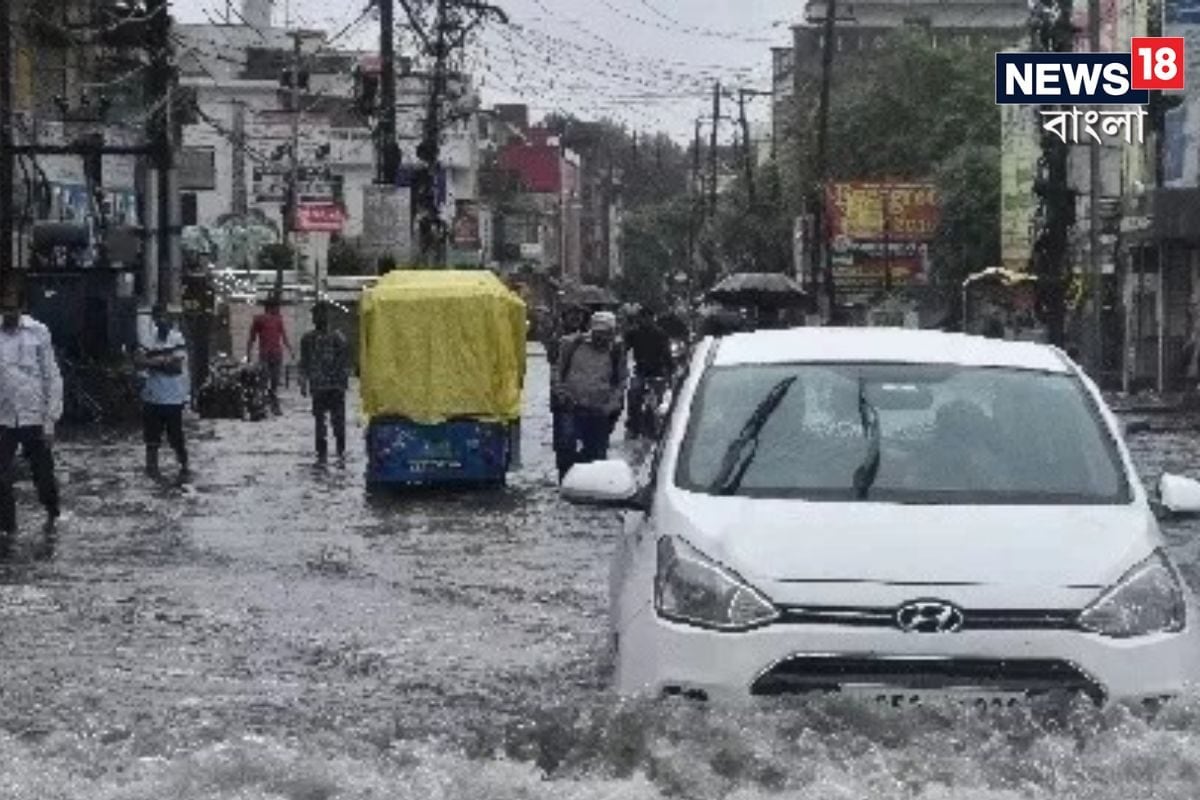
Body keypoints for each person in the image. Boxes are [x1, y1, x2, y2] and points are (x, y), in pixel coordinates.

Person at [0, 282, 62, 557]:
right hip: (3, 418)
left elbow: (52, 377)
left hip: (34, 416)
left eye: (12, 308)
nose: (7, 313)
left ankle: (52, 513)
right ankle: (8, 529)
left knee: (43, 475)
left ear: (22, 308)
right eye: (3, 308)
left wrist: (50, 421)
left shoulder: (39, 332)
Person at [551, 311, 628, 483]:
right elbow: (557, 371)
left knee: (597, 454)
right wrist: (561, 393)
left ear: (612, 333)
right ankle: (565, 483)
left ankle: (590, 486)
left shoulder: (616, 350)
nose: (601, 337)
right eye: (598, 332)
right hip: (570, 405)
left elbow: (621, 381)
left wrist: (611, 404)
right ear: (591, 330)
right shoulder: (571, 344)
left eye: (606, 333)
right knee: (565, 447)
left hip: (599, 409)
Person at [136, 304, 190, 482]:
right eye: (158, 318)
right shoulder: (148, 338)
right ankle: (152, 471)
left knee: (176, 437)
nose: (161, 321)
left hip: (174, 398)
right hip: (151, 396)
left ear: (170, 321)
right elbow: (138, 362)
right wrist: (163, 361)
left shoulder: (177, 338)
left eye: (165, 318)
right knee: (151, 438)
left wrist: (152, 362)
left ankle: (184, 466)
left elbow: (175, 368)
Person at [299, 302, 350, 465]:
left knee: (336, 421)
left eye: (321, 314)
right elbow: (304, 362)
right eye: (316, 315)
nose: (318, 318)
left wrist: (343, 383)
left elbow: (344, 363)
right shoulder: (308, 339)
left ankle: (338, 453)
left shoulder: (338, 338)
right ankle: (325, 455)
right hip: (321, 386)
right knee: (322, 421)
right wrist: (302, 381)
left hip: (333, 387)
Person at [623, 306, 673, 439]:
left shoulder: (661, 334)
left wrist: (670, 373)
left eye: (649, 317)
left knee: (658, 402)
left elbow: (667, 354)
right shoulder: (633, 333)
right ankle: (632, 425)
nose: (646, 320)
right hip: (640, 371)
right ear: (640, 319)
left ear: (653, 318)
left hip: (657, 372)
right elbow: (624, 350)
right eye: (643, 317)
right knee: (633, 396)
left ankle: (658, 426)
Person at [246, 294, 293, 415]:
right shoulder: (259, 319)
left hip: (276, 354)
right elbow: (252, 338)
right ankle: (262, 405)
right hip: (266, 355)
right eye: (276, 307)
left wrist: (290, 349)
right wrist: (248, 353)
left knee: (274, 381)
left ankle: (273, 405)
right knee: (264, 380)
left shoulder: (278, 319)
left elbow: (284, 336)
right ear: (270, 307)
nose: (278, 309)